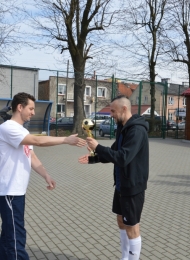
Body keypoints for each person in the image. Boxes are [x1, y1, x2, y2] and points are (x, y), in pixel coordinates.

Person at [0, 92, 86, 260]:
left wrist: (46, 175)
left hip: (17, 192)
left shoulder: (21, 130)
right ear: (19, 107)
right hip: (9, 191)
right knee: (15, 236)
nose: (33, 112)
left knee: (10, 234)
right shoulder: (8, 128)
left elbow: (30, 155)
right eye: (31, 108)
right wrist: (65, 140)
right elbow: (38, 141)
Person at [78, 95, 149, 260]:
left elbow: (123, 157)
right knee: (121, 221)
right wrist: (93, 158)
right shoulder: (122, 128)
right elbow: (114, 152)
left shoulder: (137, 130)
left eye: (113, 111)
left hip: (132, 186)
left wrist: (98, 147)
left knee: (132, 227)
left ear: (124, 109)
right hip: (121, 185)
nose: (111, 114)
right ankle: (125, 257)